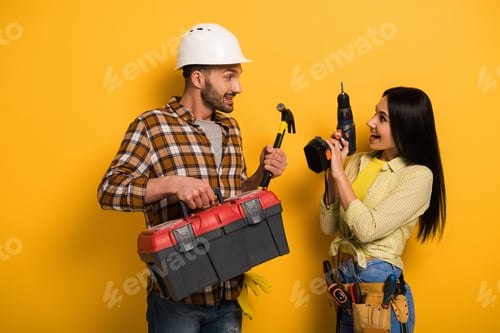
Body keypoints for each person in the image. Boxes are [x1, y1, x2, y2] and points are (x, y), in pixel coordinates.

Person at [97, 23, 288, 333]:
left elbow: (232, 196)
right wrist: (174, 184)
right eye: (229, 76)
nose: (238, 87)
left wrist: (259, 175)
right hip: (178, 301)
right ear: (198, 78)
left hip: (229, 296)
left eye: (237, 76)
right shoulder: (152, 125)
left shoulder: (231, 129)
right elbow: (109, 191)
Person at [319, 87, 446, 333]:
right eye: (374, 114)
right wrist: (333, 169)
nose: (370, 122)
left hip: (378, 288)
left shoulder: (418, 176)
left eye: (382, 118)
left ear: (406, 128)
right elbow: (328, 226)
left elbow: (367, 230)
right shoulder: (359, 161)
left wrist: (338, 173)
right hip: (345, 286)